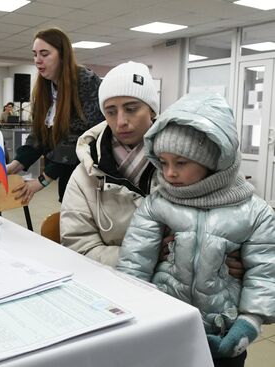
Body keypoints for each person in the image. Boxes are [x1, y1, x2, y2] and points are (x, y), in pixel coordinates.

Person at [116, 92, 275, 367]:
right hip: (165, 325)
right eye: (163, 163)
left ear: (214, 160)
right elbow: (134, 261)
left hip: (223, 332)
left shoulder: (255, 212)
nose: (169, 174)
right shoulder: (157, 204)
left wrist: (250, 320)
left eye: (181, 163)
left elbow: (264, 271)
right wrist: (130, 309)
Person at [60, 61, 159, 267]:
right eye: (111, 111)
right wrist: (147, 257)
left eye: (131, 109)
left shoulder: (189, 163)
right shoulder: (84, 175)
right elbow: (79, 247)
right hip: (114, 285)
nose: (121, 121)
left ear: (152, 111)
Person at [7, 28, 104, 203]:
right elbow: (40, 134)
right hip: (68, 176)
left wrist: (42, 180)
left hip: (91, 176)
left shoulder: (85, 81)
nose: (37, 60)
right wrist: (16, 164)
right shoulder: (46, 88)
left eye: (44, 54)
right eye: (35, 54)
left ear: (62, 55)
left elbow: (78, 139)